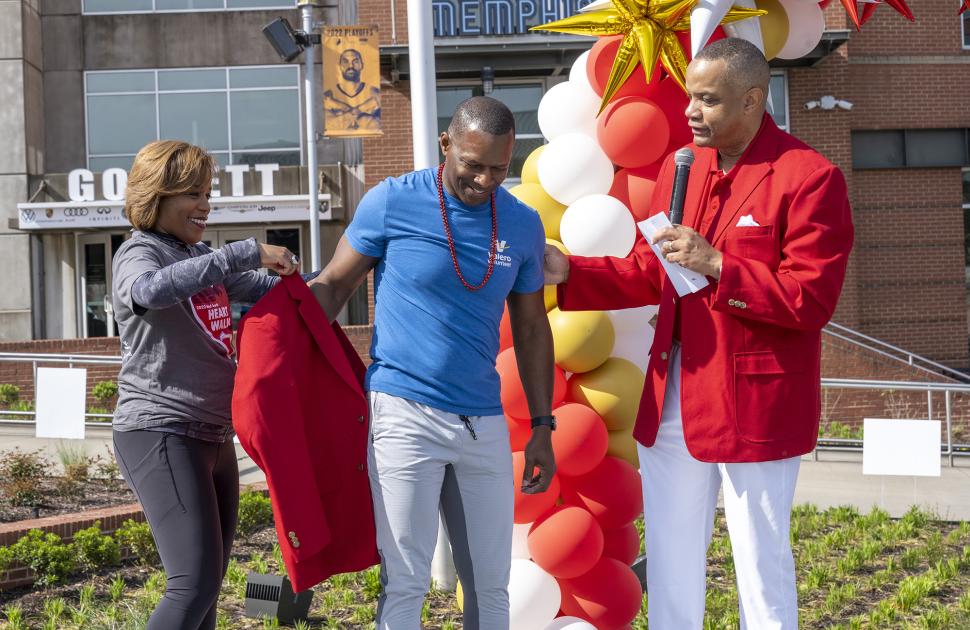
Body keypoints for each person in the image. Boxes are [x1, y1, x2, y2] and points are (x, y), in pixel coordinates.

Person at [544, 38, 854, 629]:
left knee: (760, 562)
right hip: (670, 399)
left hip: (754, 406)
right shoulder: (681, 166)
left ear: (753, 101)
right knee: (669, 557)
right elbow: (646, 269)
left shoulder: (808, 177)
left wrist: (718, 265)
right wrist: (567, 271)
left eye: (708, 100)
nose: (689, 111)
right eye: (689, 95)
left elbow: (809, 301)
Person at [308, 96, 557, 629]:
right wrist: (277, 333)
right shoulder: (392, 202)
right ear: (446, 145)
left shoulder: (521, 223)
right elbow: (333, 285)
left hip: (482, 421)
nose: (486, 180)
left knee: (491, 584)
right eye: (473, 165)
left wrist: (542, 426)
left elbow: (533, 328)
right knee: (407, 581)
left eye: (499, 167)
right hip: (403, 413)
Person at [110, 140, 300, 630]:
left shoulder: (196, 254)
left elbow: (284, 296)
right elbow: (148, 291)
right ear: (158, 195)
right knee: (191, 584)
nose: (205, 205)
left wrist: (356, 265)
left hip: (213, 436)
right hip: (160, 430)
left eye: (207, 192)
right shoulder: (139, 251)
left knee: (206, 591)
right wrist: (245, 252)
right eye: (193, 193)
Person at [323, 48, 381, 131]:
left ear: (362, 65)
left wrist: (343, 111)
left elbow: (376, 125)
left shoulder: (374, 93)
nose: (350, 66)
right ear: (339, 66)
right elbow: (331, 126)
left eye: (355, 61)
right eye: (345, 61)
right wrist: (362, 110)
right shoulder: (329, 95)